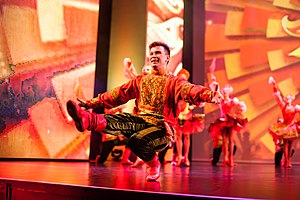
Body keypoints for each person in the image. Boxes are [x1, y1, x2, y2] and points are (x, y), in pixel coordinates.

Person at [66, 41, 223, 181]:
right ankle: (85, 118)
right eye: (152, 54)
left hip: (162, 129)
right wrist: (90, 103)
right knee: (122, 120)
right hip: (142, 122)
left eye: (158, 53)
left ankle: (154, 165)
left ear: (167, 58)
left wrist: (210, 95)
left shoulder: (175, 82)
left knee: (136, 140)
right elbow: (117, 94)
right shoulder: (141, 81)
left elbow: (190, 90)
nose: (153, 56)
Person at [171, 68, 205, 167]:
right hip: (178, 114)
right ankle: (179, 156)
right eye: (181, 78)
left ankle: (186, 157)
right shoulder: (175, 89)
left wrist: (194, 104)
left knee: (186, 136)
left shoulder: (189, 89)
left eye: (184, 78)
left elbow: (195, 99)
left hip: (187, 115)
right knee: (178, 136)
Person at [268, 76, 300, 168]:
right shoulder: (283, 106)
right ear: (286, 99)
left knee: (291, 144)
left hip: (292, 127)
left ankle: (288, 160)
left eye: (290, 97)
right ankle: (286, 161)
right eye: (287, 97)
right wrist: (274, 86)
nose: (288, 98)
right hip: (285, 127)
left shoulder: (295, 108)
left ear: (292, 99)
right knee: (286, 143)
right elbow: (278, 97)